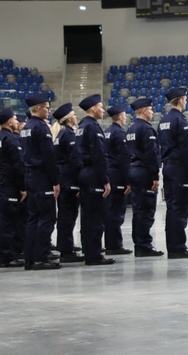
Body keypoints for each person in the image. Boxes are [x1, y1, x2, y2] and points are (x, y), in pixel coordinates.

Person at [20, 93, 61, 271]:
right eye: (46, 107)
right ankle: (41, 257)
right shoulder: (41, 128)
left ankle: (30, 258)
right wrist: (55, 181)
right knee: (46, 218)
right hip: (42, 177)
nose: (49, 111)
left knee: (33, 218)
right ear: (38, 108)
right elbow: (48, 156)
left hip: (30, 176)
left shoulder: (26, 127)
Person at [158, 87, 188, 258]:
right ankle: (178, 247)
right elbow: (186, 149)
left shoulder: (163, 121)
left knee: (172, 206)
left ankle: (173, 245)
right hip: (179, 168)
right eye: (185, 99)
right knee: (180, 207)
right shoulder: (180, 121)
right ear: (181, 100)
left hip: (168, 166)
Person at [75, 94, 115, 266]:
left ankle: (89, 250)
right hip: (93, 174)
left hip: (84, 172)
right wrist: (105, 179)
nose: (103, 110)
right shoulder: (92, 127)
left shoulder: (81, 126)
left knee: (87, 216)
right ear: (93, 109)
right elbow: (98, 155)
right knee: (96, 217)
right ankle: (94, 254)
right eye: (100, 107)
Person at [0, 108, 25, 269]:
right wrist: (23, 187)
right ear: (9, 122)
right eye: (15, 119)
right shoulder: (10, 139)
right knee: (8, 221)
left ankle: (3, 254)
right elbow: (18, 165)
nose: (17, 121)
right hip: (8, 183)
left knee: (0, 220)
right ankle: (6, 257)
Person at [126, 97, 163, 257]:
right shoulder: (146, 129)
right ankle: (144, 245)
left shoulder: (131, 129)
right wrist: (155, 175)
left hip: (133, 170)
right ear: (143, 111)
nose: (152, 112)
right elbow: (151, 153)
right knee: (146, 210)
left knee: (138, 210)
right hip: (144, 172)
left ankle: (139, 243)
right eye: (150, 109)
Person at [52, 104, 82, 263]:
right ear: (69, 118)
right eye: (74, 115)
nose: (76, 117)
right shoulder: (69, 135)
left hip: (62, 175)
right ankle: (66, 250)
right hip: (70, 177)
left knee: (65, 214)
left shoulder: (60, 134)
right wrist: (79, 182)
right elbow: (75, 159)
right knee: (68, 215)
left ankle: (65, 246)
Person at [103, 105, 132, 256]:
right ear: (120, 117)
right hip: (118, 174)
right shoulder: (119, 133)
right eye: (124, 115)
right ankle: (114, 245)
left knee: (109, 209)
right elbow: (123, 158)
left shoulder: (106, 132)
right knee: (117, 210)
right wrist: (128, 180)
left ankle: (109, 243)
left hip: (109, 172)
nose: (126, 117)